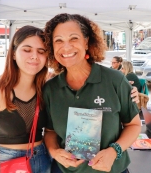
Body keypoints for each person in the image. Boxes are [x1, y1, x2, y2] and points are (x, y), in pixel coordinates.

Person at [43, 13, 141, 173]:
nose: (66, 47)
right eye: (58, 40)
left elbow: (134, 124)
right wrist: (55, 152)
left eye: (73, 38)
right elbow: (50, 131)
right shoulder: (50, 89)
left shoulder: (115, 80)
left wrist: (114, 150)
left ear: (87, 42)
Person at [0, 25, 51, 173]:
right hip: (8, 163)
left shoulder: (45, 86)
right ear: (13, 54)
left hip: (42, 159)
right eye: (27, 50)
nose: (34, 56)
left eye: (41, 51)